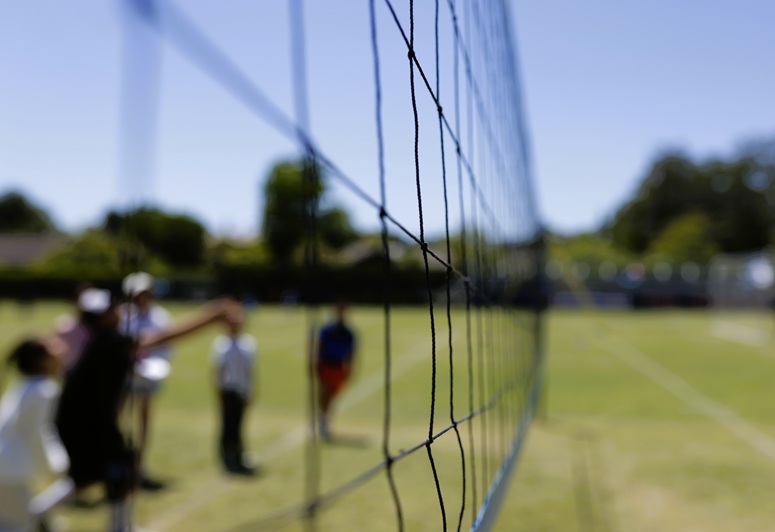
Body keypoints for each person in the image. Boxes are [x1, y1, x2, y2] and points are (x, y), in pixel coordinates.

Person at [55, 288, 238, 532]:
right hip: (88, 424)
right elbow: (162, 337)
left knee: (104, 474)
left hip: (85, 420)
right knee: (108, 473)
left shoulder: (101, 340)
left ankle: (117, 525)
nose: (118, 311)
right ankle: (43, 516)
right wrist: (211, 316)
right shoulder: (110, 342)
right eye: (112, 309)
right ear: (103, 318)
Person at [0, 337, 72, 531]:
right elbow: (41, 432)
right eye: (53, 349)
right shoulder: (44, 390)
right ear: (40, 360)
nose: (61, 352)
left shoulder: (23, 385)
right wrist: (57, 463)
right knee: (18, 526)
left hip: (7, 467)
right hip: (9, 470)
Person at [119, 272, 172, 491]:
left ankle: (140, 466)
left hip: (149, 374)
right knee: (119, 419)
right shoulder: (123, 315)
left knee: (143, 422)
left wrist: (149, 360)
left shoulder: (160, 317)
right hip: (124, 375)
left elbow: (166, 346)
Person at [210, 305, 257, 475]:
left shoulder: (248, 343)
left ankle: (238, 454)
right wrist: (218, 390)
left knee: (238, 424)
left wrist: (251, 389)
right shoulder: (221, 344)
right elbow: (217, 370)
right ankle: (227, 456)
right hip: (228, 389)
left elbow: (251, 369)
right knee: (227, 424)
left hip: (241, 389)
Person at [315, 301, 356, 441]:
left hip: (338, 367)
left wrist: (349, 369)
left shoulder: (348, 333)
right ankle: (323, 420)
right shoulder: (327, 330)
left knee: (332, 395)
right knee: (324, 393)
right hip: (327, 364)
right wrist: (316, 364)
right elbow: (319, 347)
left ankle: (325, 418)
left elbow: (351, 353)